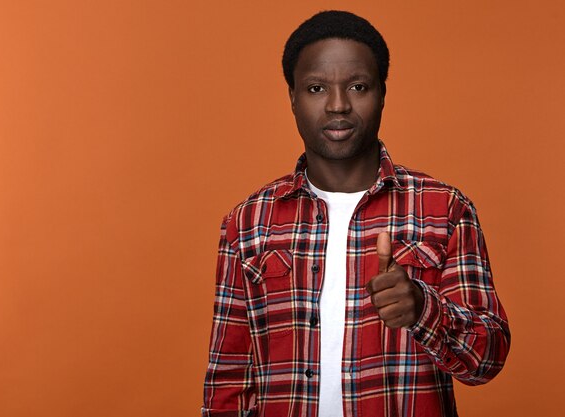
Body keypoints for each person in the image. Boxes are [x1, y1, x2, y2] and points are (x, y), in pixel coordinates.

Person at [202, 10, 510, 417]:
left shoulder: (446, 209)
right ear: (292, 97)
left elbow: (487, 359)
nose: (337, 105)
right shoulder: (248, 222)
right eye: (315, 88)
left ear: (382, 92)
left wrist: (423, 308)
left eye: (358, 86)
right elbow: (228, 380)